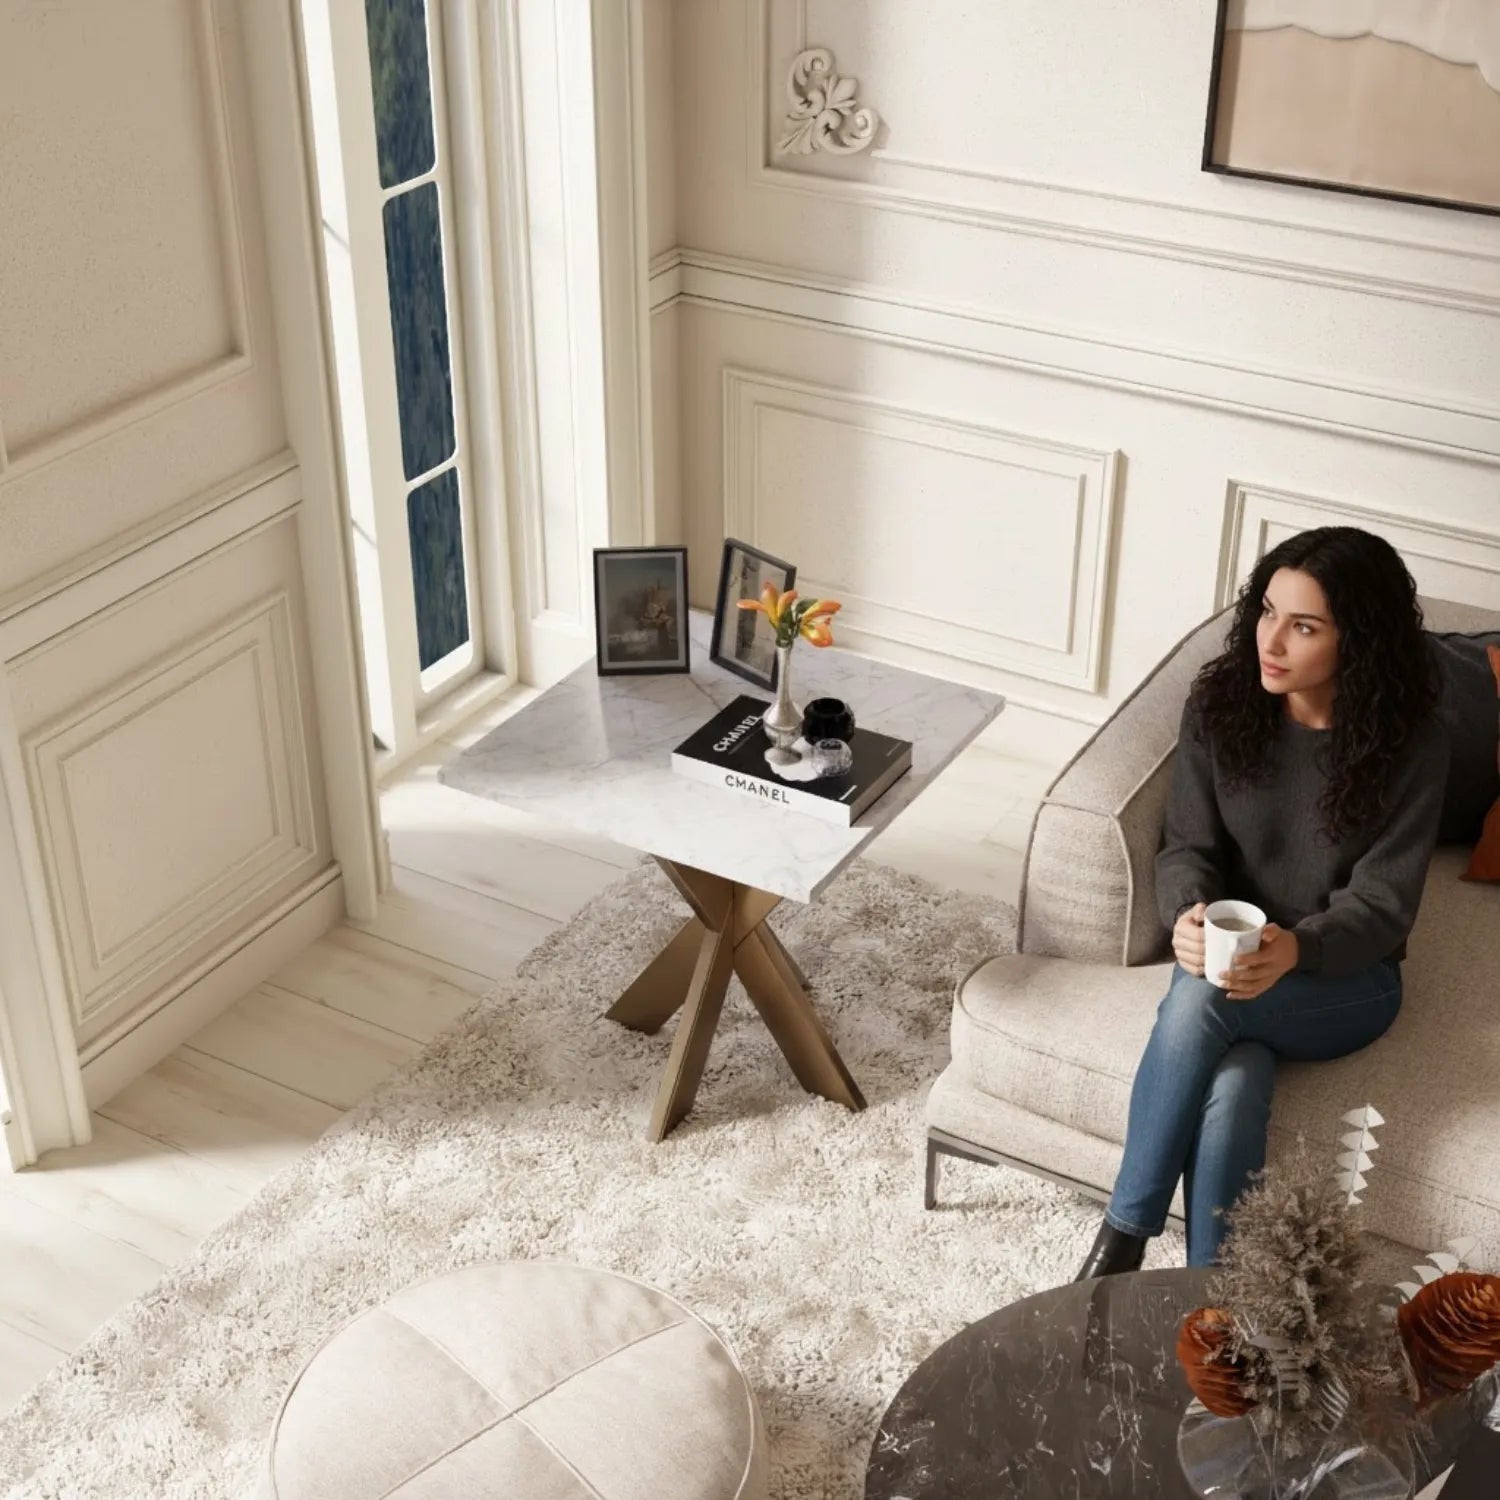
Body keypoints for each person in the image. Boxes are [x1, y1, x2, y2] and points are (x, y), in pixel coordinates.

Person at [1075, 526, 1450, 1279]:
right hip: (1231, 954)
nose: (1270, 642)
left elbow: (1382, 906)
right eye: (1267, 612)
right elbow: (1187, 847)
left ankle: (1121, 1242)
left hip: (1351, 976)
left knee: (1203, 1006)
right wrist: (1185, 911)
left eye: (1304, 626)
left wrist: (1296, 949)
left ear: (1360, 642)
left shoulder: (1412, 743)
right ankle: (1212, 1297)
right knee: (1237, 1075)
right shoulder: (1221, 705)